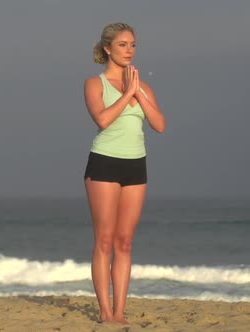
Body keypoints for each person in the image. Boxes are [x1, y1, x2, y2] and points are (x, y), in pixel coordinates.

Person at [83, 22, 166, 324]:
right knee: (104, 240)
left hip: (136, 165)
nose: (129, 50)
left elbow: (159, 125)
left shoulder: (145, 88)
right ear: (107, 48)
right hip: (104, 162)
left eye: (133, 44)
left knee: (125, 242)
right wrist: (126, 92)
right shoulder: (95, 84)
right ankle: (105, 312)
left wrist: (138, 93)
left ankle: (120, 312)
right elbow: (103, 120)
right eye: (122, 44)